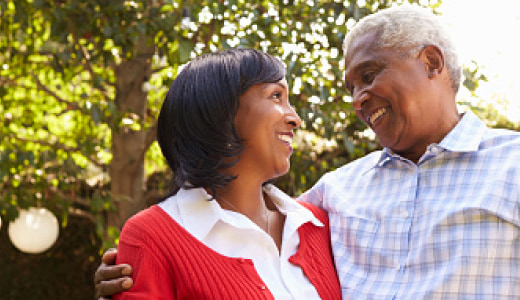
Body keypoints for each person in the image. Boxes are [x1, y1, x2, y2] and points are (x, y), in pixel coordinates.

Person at [95, 5, 520, 299]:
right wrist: (136, 269)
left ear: (431, 62)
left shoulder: (512, 165)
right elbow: (234, 228)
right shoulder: (332, 196)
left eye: (369, 75)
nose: (358, 100)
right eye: (351, 88)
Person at [102, 48, 341, 299]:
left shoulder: (318, 225)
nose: (295, 119)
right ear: (220, 112)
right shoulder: (152, 236)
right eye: (276, 96)